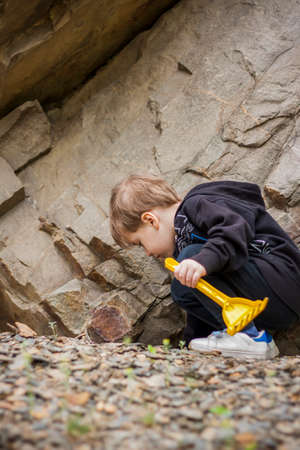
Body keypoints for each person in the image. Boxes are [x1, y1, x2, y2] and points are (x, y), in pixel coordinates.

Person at [109, 174, 300, 359]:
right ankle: (249, 337)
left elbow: (234, 230)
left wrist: (201, 261)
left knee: (190, 260)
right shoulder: (184, 243)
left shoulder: (198, 204)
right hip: (270, 309)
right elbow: (207, 298)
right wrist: (191, 343)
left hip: (283, 282)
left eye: (140, 243)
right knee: (181, 287)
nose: (148, 253)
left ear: (151, 220)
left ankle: (248, 336)